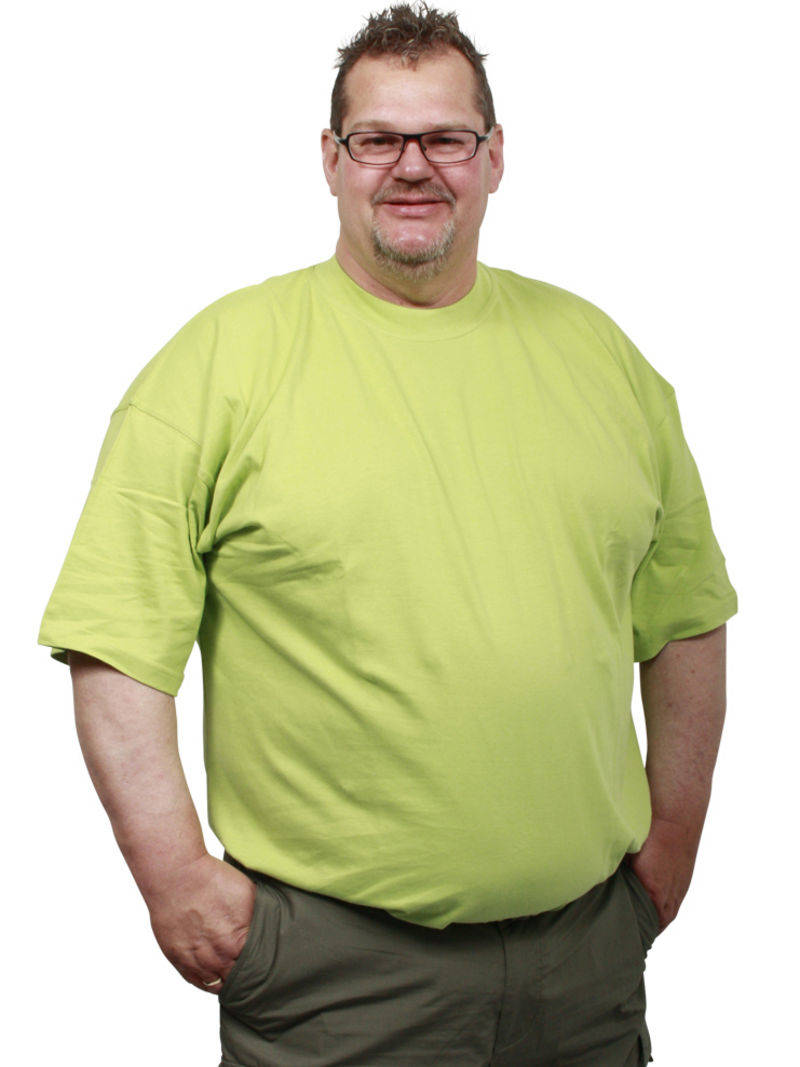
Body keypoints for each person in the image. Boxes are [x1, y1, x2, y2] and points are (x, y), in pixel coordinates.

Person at [37, 3, 737, 1064]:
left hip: (586, 963)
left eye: (445, 137)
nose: (413, 166)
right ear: (331, 159)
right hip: (333, 977)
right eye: (378, 139)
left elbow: (683, 620)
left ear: (493, 156)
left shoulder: (604, 360)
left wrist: (670, 849)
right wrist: (177, 881)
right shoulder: (216, 366)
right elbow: (115, 643)